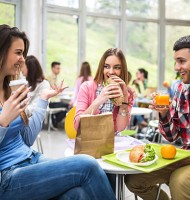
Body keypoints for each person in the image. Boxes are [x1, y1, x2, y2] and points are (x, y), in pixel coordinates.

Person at [0, 24, 116, 200]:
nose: (23, 59)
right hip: (8, 176)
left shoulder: (11, 90)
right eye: (18, 52)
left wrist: (43, 99)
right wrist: (3, 121)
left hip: (31, 159)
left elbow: (27, 139)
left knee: (78, 194)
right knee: (87, 164)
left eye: (23, 53)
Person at [125, 34, 190, 200]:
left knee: (180, 181)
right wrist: (164, 113)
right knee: (134, 179)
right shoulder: (182, 90)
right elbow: (172, 137)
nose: (176, 67)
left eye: (182, 61)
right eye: (175, 62)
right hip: (187, 156)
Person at [74, 48, 134, 132]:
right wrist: (98, 100)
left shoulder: (127, 93)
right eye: (106, 66)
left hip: (113, 140)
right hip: (89, 139)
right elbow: (78, 126)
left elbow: (120, 128)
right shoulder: (86, 87)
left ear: (122, 70)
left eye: (116, 67)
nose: (111, 71)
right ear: (101, 68)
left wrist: (124, 104)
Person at [46, 61, 69, 129]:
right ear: (53, 68)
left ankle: (54, 117)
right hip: (52, 101)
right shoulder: (50, 77)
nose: (59, 70)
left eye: (59, 68)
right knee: (69, 106)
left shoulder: (55, 77)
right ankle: (54, 119)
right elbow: (54, 89)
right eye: (57, 68)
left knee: (66, 108)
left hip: (55, 100)